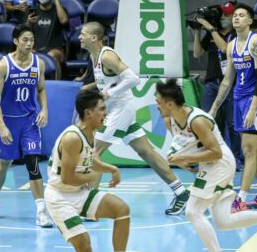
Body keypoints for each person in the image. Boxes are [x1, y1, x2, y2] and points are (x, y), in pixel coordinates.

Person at [155, 79, 257, 252]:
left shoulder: (197, 120)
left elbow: (214, 152)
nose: (156, 104)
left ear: (170, 103)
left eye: (159, 101)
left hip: (219, 162)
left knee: (193, 210)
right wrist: (182, 160)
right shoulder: (168, 120)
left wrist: (185, 158)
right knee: (224, 220)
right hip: (209, 165)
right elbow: (186, 145)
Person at [45, 88, 140, 252]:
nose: (105, 114)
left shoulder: (91, 133)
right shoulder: (71, 137)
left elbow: (89, 160)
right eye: (101, 110)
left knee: (121, 209)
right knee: (85, 246)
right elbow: (68, 178)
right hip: (59, 197)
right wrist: (91, 177)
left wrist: (110, 168)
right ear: (88, 113)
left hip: (78, 191)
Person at [78, 21, 191, 215]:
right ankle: (181, 192)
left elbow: (133, 78)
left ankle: (90, 205)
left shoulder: (107, 55)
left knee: (93, 153)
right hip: (117, 109)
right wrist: (88, 88)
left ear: (94, 37)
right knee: (147, 153)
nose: (79, 37)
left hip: (121, 109)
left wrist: (109, 93)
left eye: (83, 34)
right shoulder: (93, 55)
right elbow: (106, 82)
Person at [208, 4, 257, 213]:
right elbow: (228, 79)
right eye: (235, 15)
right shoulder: (231, 44)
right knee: (253, 149)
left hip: (255, 97)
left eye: (241, 15)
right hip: (238, 97)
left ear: (250, 21)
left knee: (247, 149)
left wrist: (253, 106)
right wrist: (213, 109)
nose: (236, 18)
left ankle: (241, 199)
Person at [0, 24, 53, 227]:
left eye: (31, 40)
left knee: (33, 163)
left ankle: (41, 211)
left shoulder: (38, 63)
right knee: (4, 164)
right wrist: (2, 126)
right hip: (8, 121)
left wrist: (44, 110)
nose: (29, 43)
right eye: (25, 39)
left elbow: (41, 88)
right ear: (16, 41)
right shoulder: (3, 65)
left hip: (30, 121)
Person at [192, 1, 242, 168]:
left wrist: (210, 28)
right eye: (223, 14)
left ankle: (236, 158)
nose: (224, 17)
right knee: (205, 120)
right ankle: (207, 157)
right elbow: (197, 53)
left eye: (228, 15)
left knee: (232, 123)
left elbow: (224, 49)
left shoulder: (236, 35)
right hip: (211, 82)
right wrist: (198, 32)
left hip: (228, 83)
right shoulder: (214, 32)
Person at [29, 0, 68, 80]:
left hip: (56, 49)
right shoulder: (33, 12)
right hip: (36, 49)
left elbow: (64, 21)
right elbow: (23, 31)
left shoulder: (59, 10)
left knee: (52, 55)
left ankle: (57, 86)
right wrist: (28, 22)